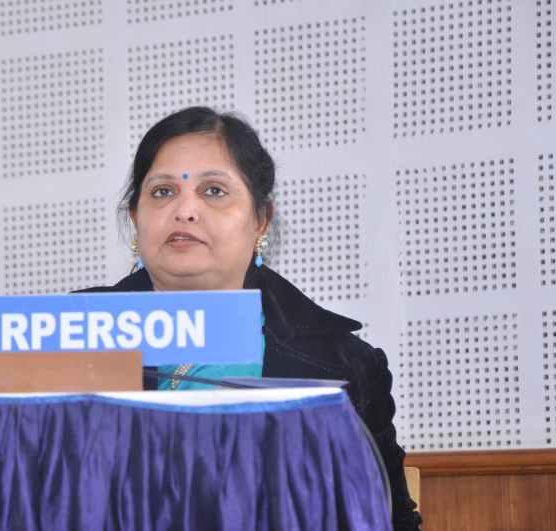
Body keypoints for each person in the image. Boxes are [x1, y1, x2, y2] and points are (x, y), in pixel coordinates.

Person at [80, 106, 422, 530]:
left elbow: (386, 518)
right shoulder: (67, 338)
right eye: (163, 192)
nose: (185, 210)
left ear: (261, 220)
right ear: (135, 217)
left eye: (214, 191)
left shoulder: (343, 363)